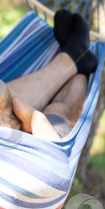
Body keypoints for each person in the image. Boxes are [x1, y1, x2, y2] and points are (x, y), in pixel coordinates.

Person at [7, 10, 98, 140]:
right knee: (57, 114)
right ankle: (76, 59)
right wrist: (32, 118)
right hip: (37, 148)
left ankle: (75, 57)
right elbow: (51, 149)